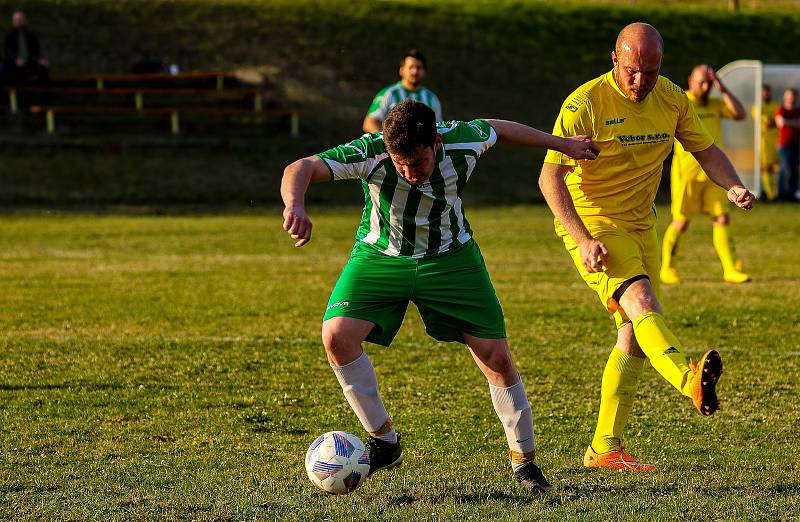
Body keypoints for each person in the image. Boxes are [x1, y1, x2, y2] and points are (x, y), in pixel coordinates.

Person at [282, 99, 598, 493]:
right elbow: (301, 167)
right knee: (336, 336)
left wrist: (562, 144)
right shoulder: (373, 151)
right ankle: (384, 440)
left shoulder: (462, 141)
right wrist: (295, 204)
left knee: (497, 358)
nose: (409, 173)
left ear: (435, 143)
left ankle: (525, 462)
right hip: (382, 257)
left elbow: (498, 126)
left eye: (418, 163)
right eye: (401, 166)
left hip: (452, 259)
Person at [539, 23, 755, 471]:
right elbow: (549, 177)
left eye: (651, 73)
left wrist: (732, 185)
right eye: (634, 71)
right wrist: (582, 240)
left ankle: (604, 448)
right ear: (615, 59)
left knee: (634, 336)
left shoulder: (673, 98)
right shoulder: (584, 104)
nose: (641, 82)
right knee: (642, 301)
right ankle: (689, 379)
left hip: (642, 225)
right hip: (596, 224)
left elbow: (706, 150)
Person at [660, 64, 749, 285]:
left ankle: (730, 269)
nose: (706, 86)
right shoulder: (682, 101)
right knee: (681, 222)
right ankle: (667, 268)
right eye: (702, 82)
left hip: (715, 174)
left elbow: (740, 114)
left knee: (722, 218)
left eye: (710, 83)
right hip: (686, 174)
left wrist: (723, 89)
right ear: (690, 80)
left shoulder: (717, 104)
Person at [362, 50, 442, 133]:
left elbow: (439, 127)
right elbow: (370, 123)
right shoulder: (389, 94)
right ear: (402, 70)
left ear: (424, 72)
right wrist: (387, 142)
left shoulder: (432, 98)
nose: (415, 71)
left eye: (419, 67)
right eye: (411, 67)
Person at [2, 11, 48, 85]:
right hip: (14, 65)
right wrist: (16, 59)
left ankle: (43, 94)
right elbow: (8, 51)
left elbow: (36, 50)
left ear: (25, 21)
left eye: (21, 19)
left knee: (43, 69)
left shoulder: (30, 35)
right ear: (13, 21)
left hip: (29, 63)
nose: (19, 21)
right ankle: (20, 94)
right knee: (14, 73)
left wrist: (40, 59)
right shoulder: (9, 35)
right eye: (17, 20)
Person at [775, 88, 800, 201]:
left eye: (793, 95)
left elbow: (786, 122)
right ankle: (781, 194)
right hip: (784, 145)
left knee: (794, 170)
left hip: (797, 145)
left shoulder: (798, 110)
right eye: (788, 95)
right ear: (785, 97)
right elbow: (780, 123)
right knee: (784, 169)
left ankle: (792, 194)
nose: (791, 97)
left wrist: (788, 122)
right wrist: (794, 122)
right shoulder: (781, 110)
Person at [757, 84, 781, 201]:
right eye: (764, 92)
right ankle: (770, 194)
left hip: (777, 140)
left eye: (768, 92)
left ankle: (779, 192)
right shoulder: (757, 106)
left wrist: (775, 122)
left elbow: (777, 121)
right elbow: (768, 122)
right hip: (764, 142)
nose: (766, 94)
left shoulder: (776, 106)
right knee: (766, 168)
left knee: (779, 167)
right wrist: (775, 121)